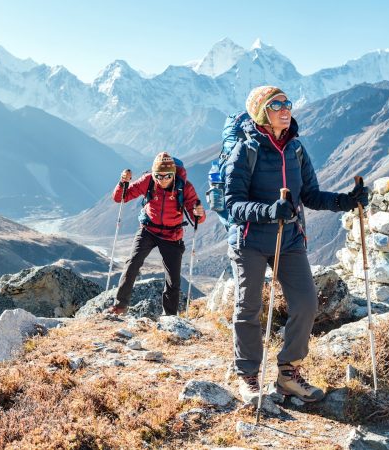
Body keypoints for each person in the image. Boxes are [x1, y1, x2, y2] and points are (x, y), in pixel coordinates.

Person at [224, 86, 368, 403]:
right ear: (262, 113)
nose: (285, 108)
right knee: (248, 307)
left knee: (306, 304)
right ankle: (248, 376)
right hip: (249, 240)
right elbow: (233, 205)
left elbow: (311, 195)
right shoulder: (245, 151)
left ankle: (288, 374)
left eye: (287, 103)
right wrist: (268, 211)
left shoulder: (296, 150)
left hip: (288, 238)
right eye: (276, 105)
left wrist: (346, 201)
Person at [109, 152, 206, 316]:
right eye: (158, 176)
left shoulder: (184, 187)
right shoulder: (148, 181)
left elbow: (198, 217)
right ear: (153, 174)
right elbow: (121, 198)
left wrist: (199, 213)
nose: (162, 180)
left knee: (173, 279)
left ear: (173, 173)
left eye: (167, 175)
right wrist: (122, 183)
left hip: (172, 234)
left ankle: (169, 317)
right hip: (148, 229)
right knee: (132, 263)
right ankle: (119, 307)